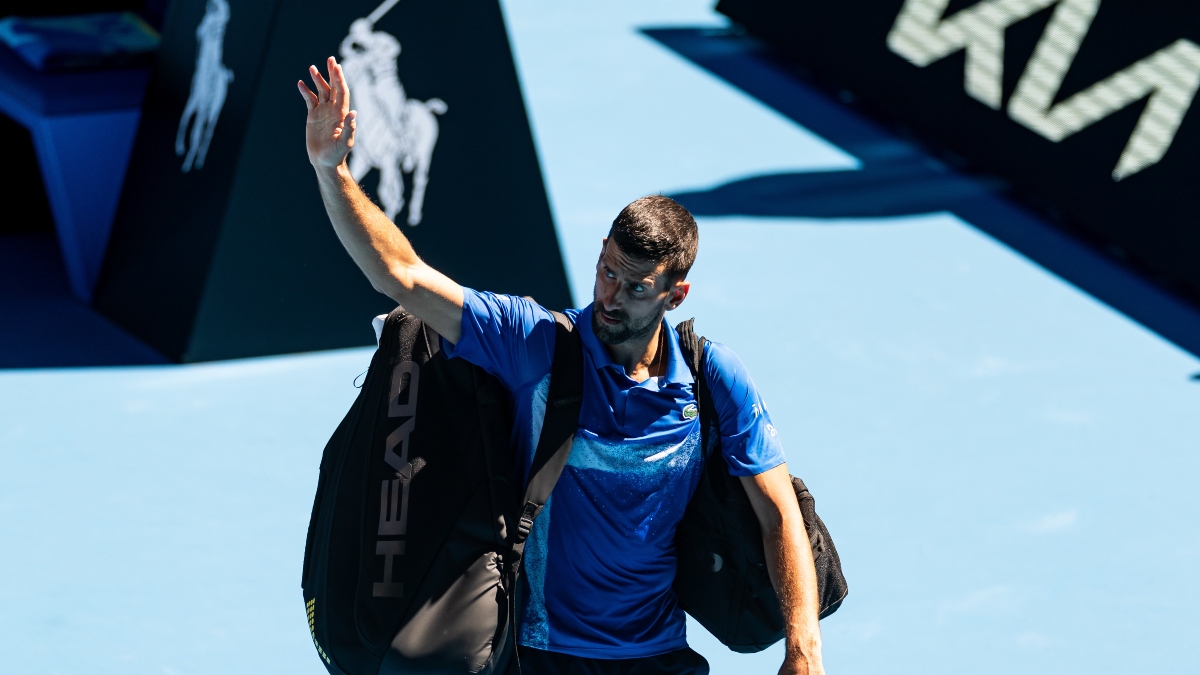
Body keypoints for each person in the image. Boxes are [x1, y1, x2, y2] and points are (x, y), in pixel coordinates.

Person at [298, 57, 827, 675]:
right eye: (606, 270)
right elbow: (403, 275)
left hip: (660, 656)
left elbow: (778, 511)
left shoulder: (715, 378)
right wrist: (329, 169)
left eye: (634, 288)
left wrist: (803, 647)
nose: (609, 295)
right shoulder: (536, 343)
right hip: (543, 656)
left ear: (674, 296)